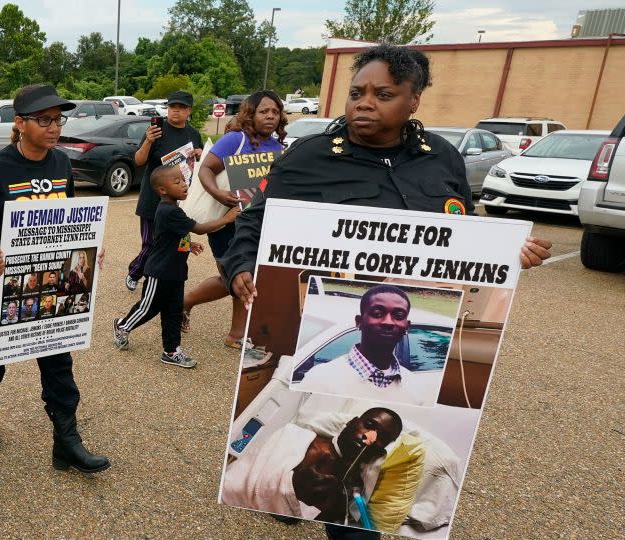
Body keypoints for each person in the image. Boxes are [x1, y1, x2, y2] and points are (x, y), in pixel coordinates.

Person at [220, 44, 552, 540]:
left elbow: (465, 235)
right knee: (340, 500)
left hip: (423, 330)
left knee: (366, 505)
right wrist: (242, 266)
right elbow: (255, 221)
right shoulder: (309, 159)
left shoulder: (440, 159)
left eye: (383, 94)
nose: (363, 103)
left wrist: (509, 251)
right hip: (322, 323)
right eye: (356, 93)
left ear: (414, 100)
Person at [0, 83, 110, 474]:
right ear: (20, 123)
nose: (53, 127)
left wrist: (88, 244)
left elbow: (68, 216)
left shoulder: (62, 164)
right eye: (44, 120)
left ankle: (67, 442)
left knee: (58, 359)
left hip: (53, 281)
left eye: (58, 119)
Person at [181, 90, 287, 352]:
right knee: (233, 277)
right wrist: (220, 194)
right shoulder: (233, 140)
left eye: (275, 112)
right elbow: (206, 168)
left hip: (256, 223)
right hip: (227, 222)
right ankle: (187, 303)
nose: (271, 116)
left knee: (244, 276)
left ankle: (235, 333)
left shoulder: (279, 149)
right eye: (264, 111)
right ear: (251, 113)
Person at [113, 164, 239, 368]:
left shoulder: (174, 209)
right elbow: (198, 228)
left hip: (176, 272)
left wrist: (188, 245)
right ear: (162, 190)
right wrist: (226, 218)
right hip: (159, 272)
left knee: (173, 311)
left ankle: (171, 351)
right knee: (148, 308)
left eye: (183, 180)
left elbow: (173, 235)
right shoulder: (167, 210)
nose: (184, 185)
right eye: (177, 182)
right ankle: (122, 325)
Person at [221, 408, 402, 525]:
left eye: (381, 438)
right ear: (352, 422)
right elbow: (241, 484)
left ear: (381, 451)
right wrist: (291, 486)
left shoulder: (353, 487)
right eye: (369, 425)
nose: (370, 437)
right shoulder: (296, 439)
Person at [295, 285, 431, 406]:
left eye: (398, 315)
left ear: (407, 327)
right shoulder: (320, 379)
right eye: (377, 314)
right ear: (359, 322)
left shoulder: (417, 388)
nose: (388, 322)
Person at [126, 90, 203, 291]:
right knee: (151, 244)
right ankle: (135, 272)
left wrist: (200, 154)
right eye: (172, 107)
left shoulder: (193, 134)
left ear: (189, 111)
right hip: (153, 198)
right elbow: (138, 161)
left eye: (181, 108)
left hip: (181, 199)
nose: (175, 111)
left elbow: (199, 162)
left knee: (178, 243)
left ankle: (168, 280)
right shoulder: (156, 131)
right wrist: (149, 141)